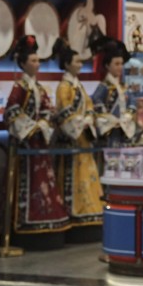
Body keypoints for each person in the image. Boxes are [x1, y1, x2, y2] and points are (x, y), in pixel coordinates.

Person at [4, 35, 67, 237]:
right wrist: (32, 127)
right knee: (30, 179)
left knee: (44, 179)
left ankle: (45, 218)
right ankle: (25, 220)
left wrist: (44, 123)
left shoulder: (39, 88)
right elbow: (11, 111)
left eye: (38, 60)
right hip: (27, 143)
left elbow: (48, 110)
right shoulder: (19, 87)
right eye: (33, 60)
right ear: (22, 63)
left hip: (40, 142)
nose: (37, 64)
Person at [51, 38, 104, 234]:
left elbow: (89, 105)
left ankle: (88, 211)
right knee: (74, 176)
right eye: (77, 62)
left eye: (81, 62)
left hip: (83, 136)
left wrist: (89, 118)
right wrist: (81, 123)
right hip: (72, 138)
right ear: (66, 64)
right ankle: (76, 213)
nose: (80, 65)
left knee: (86, 175)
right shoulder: (64, 87)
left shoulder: (77, 85)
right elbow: (65, 112)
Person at [91, 38, 136, 147]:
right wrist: (111, 119)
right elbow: (96, 102)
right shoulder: (103, 86)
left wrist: (127, 116)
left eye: (121, 64)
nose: (120, 67)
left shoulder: (123, 86)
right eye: (116, 64)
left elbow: (132, 102)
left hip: (123, 130)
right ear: (107, 65)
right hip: (109, 132)